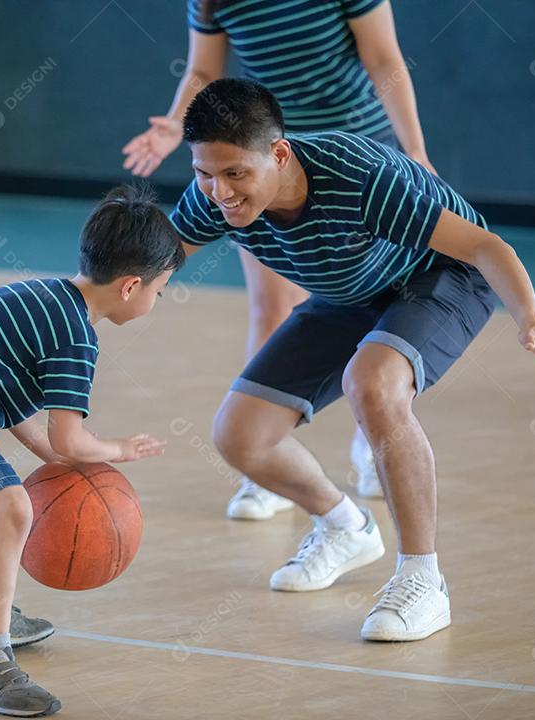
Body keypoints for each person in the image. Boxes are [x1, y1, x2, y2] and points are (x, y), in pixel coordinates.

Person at [170, 79, 535, 641]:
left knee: (373, 383)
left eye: (235, 174)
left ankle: (423, 579)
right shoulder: (214, 196)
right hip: (353, 292)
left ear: (279, 153)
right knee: (239, 436)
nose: (219, 191)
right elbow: (147, 266)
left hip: (440, 276)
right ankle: (344, 527)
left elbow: (486, 247)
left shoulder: (360, 176)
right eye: (204, 174)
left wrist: (529, 318)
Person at [124, 0, 436, 514]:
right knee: (270, 305)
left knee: (368, 298)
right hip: (259, 168)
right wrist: (174, 127)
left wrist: (416, 151)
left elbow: (383, 59)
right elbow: (203, 70)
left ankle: (372, 439)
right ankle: (266, 461)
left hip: (353, 155)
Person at [0, 184, 183, 715]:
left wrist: (57, 457)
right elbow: (69, 438)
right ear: (132, 285)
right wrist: (118, 449)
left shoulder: (51, 300)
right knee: (12, 505)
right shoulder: (76, 335)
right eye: (160, 291)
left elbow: (21, 409)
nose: (157, 301)